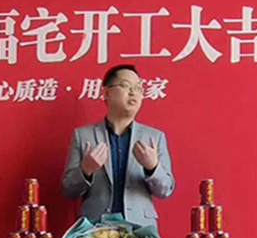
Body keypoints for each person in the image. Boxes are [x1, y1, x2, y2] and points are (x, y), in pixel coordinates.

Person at [61, 64, 175, 227]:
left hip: (140, 230)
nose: (133, 92)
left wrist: (152, 168)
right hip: (95, 230)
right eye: (126, 86)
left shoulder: (154, 137)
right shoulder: (83, 136)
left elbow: (166, 189)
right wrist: (86, 170)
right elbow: (68, 190)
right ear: (107, 93)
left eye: (138, 88)